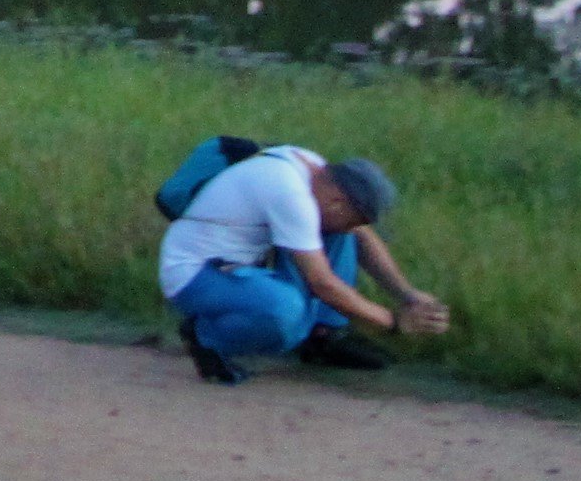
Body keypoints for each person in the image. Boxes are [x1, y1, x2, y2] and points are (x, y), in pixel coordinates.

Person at [161, 144, 448, 385]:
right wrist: (393, 322)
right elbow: (322, 283)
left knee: (340, 235)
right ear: (338, 202)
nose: (354, 227)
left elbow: (361, 235)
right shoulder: (291, 193)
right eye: (355, 218)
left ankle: (324, 337)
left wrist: (408, 295)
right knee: (285, 314)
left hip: (233, 268)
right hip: (193, 275)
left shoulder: (316, 173)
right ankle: (205, 337)